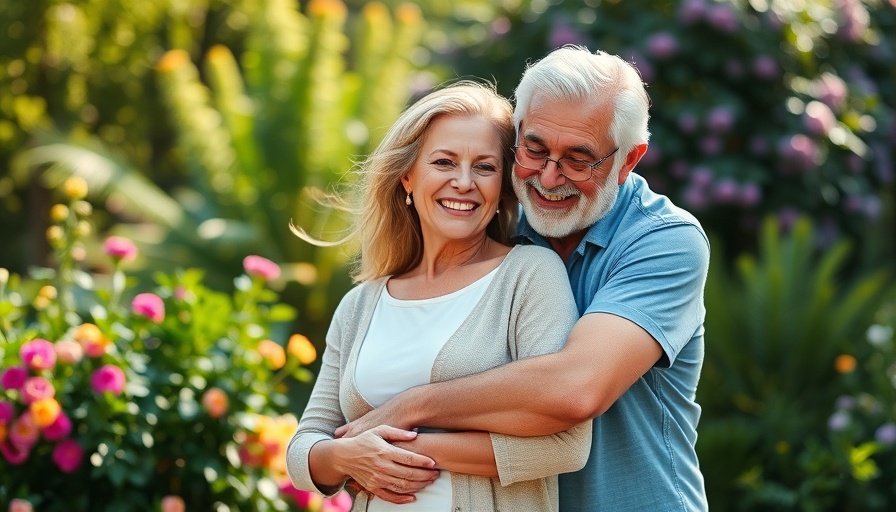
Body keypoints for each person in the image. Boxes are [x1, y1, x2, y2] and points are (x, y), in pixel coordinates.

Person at [336, 46, 711, 511]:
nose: (549, 178)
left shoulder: (664, 242)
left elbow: (577, 388)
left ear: (629, 160)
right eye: (534, 149)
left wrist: (410, 408)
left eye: (579, 159)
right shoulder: (499, 226)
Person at [284, 82, 592, 512]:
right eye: (444, 161)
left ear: (503, 184)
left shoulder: (529, 276)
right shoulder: (361, 304)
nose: (463, 182)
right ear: (407, 176)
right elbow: (305, 447)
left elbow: (565, 447)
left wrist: (402, 451)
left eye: (484, 167)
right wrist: (344, 457)